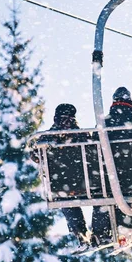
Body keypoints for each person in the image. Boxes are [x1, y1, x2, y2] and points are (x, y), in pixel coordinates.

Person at [91, 87, 132, 247]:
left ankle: (100, 233)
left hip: (108, 174)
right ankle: (125, 233)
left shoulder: (103, 123)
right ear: (131, 102)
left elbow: (94, 143)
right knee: (129, 194)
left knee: (105, 192)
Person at [35, 104, 90, 248]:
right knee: (103, 200)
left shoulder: (46, 138)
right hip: (86, 184)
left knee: (67, 201)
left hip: (61, 186)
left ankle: (81, 234)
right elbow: (93, 152)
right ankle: (101, 232)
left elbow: (35, 155)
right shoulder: (83, 135)